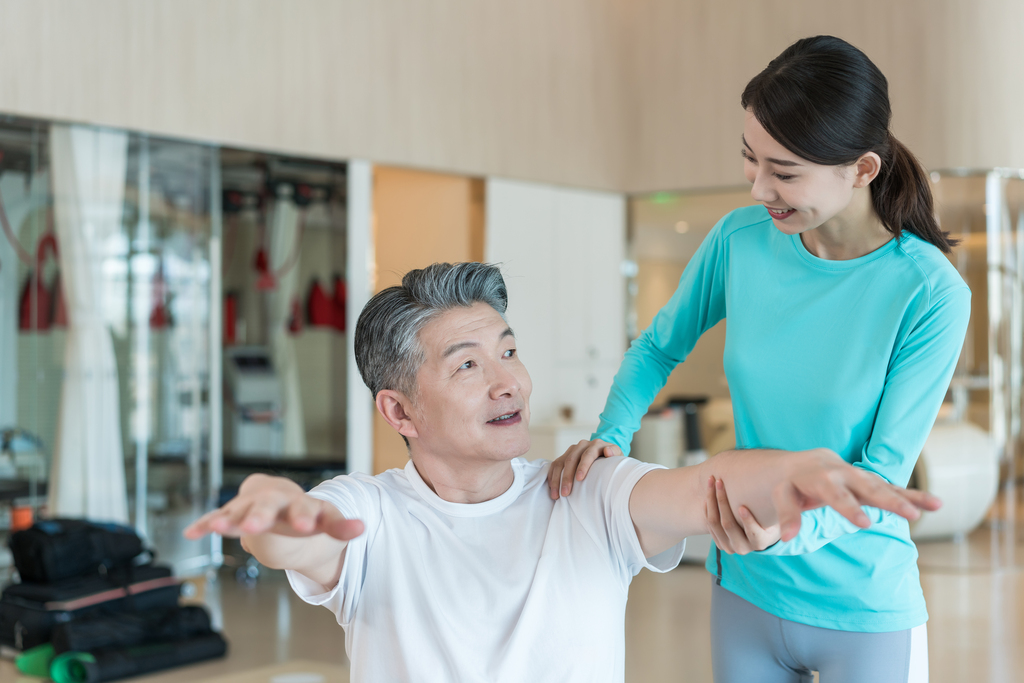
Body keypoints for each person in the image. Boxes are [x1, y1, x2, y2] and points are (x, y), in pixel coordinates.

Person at [186, 262, 939, 682]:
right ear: (399, 411)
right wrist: (270, 507)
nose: (508, 381)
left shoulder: (584, 493)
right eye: (470, 365)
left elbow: (702, 485)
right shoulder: (369, 513)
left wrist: (803, 470)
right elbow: (291, 531)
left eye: (509, 351)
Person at [547, 36, 970, 683]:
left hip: (863, 605)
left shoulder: (929, 290)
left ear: (860, 168)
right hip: (744, 589)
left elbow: (881, 473)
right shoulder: (741, 241)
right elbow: (659, 346)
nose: (759, 186)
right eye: (751, 159)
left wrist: (782, 534)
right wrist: (612, 434)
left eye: (785, 171)